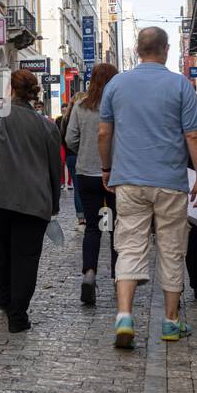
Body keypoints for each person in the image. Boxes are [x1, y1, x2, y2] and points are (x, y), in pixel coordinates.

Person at [99, 28, 197, 348]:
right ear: (164, 49)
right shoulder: (179, 84)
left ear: (137, 49)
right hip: (170, 182)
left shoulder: (116, 84)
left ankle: (124, 317)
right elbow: (194, 135)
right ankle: (171, 322)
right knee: (172, 250)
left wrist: (107, 168)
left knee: (130, 247)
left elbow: (104, 134)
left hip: (129, 181)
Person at [0, 69, 61, 333]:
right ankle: (18, 316)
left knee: (0, 253)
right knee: (26, 257)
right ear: (33, 93)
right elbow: (56, 169)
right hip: (34, 202)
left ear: (10, 88)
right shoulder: (47, 126)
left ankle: (6, 302)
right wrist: (53, 204)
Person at [66, 63, 119, 305]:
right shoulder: (119, 105)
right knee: (119, 227)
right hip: (117, 175)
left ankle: (89, 273)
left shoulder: (80, 105)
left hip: (87, 174)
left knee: (93, 228)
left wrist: (86, 152)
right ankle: (120, 278)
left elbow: (70, 139)